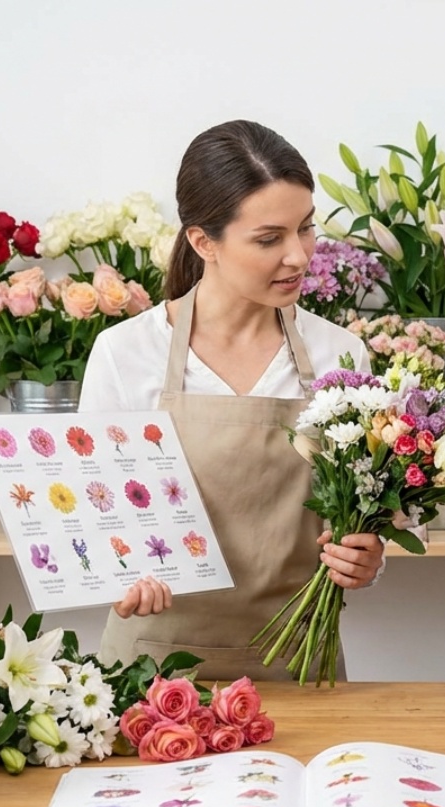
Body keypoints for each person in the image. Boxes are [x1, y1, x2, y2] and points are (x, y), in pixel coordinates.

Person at [80, 120, 385, 680]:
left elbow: (361, 513)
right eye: (269, 239)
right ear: (203, 242)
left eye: (307, 229)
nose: (298, 256)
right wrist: (115, 575)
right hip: (151, 670)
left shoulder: (341, 355)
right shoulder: (125, 354)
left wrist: (365, 556)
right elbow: (95, 523)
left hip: (296, 662)